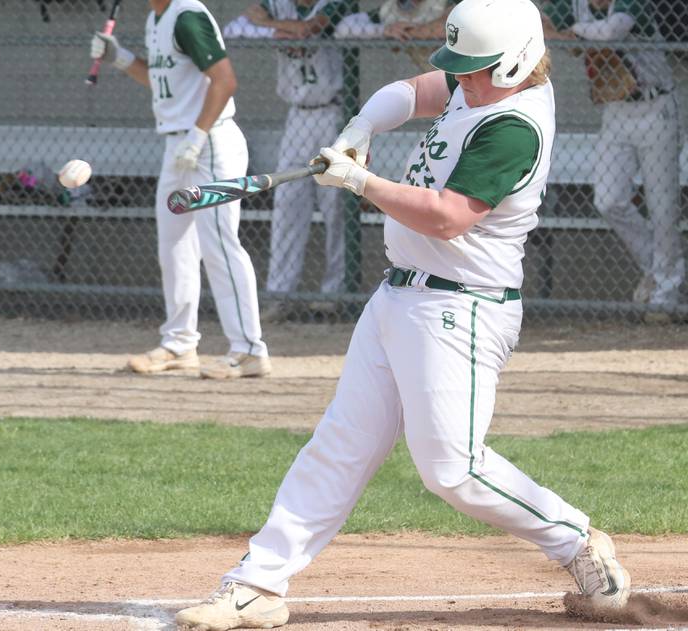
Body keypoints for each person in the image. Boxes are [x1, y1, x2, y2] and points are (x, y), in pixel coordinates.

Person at [175, 0, 631, 628]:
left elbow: (447, 218)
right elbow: (412, 90)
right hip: (399, 296)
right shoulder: (484, 78)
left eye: (474, 71)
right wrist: (358, 131)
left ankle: (575, 540)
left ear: (517, 61)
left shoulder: (514, 124)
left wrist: (360, 183)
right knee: (339, 444)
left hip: (460, 308)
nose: (460, 81)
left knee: (451, 470)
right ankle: (257, 584)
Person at [90, 0, 271, 379]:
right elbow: (161, 81)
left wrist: (198, 135)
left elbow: (225, 80)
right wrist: (119, 56)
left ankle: (249, 349)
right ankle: (179, 343)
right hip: (179, 144)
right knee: (173, 245)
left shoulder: (187, 15)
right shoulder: (157, 18)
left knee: (219, 244)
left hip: (211, 142)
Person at [542, 0, 684, 309]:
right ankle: (658, 269)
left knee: (662, 209)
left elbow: (610, 31)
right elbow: (540, 22)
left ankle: (666, 296)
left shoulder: (632, 4)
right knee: (608, 198)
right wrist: (560, 31)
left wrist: (573, 34)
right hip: (616, 110)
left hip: (656, 108)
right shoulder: (576, 5)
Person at [223, 0, 355, 322]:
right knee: (287, 203)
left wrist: (274, 26)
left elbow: (312, 27)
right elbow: (237, 23)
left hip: (334, 114)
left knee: (335, 206)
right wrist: (278, 25)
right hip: (297, 117)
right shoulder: (278, 5)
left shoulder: (335, 4)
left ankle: (334, 294)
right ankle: (280, 295)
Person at [334, 0, 456, 70]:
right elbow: (342, 28)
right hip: (436, 76)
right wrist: (384, 30)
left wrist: (409, 33)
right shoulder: (391, 9)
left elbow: (452, 25)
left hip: (465, 70)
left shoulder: (444, 2)